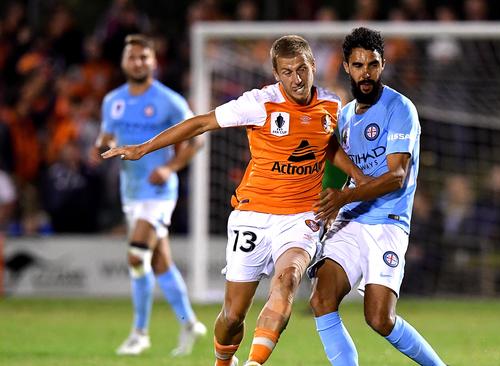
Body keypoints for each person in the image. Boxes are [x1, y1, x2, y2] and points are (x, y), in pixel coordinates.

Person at [102, 35, 366, 366]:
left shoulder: (331, 105)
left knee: (288, 280)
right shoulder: (258, 103)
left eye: (302, 69)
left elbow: (331, 151)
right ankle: (223, 361)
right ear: (276, 73)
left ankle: (254, 363)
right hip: (253, 214)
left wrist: (356, 183)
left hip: (301, 217)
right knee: (232, 316)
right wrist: (143, 148)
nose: (297, 79)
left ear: (314, 66)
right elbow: (201, 123)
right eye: (287, 72)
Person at [309, 27, 448, 366]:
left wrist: (343, 198)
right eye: (358, 65)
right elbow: (339, 169)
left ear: (383, 64)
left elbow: (396, 176)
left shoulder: (400, 108)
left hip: (388, 221)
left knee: (379, 318)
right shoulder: (343, 116)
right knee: (322, 299)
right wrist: (328, 203)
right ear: (346, 67)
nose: (365, 73)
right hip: (350, 221)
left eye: (372, 65)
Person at [91, 34, 207, 356]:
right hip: (130, 191)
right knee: (160, 262)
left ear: (154, 61)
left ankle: (140, 333)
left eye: (144, 57)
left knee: (136, 255)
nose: (138, 62)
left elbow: (196, 138)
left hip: (158, 191)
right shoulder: (112, 100)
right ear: (124, 62)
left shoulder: (169, 100)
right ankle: (189, 324)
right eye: (133, 57)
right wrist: (101, 147)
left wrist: (171, 167)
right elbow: (106, 137)